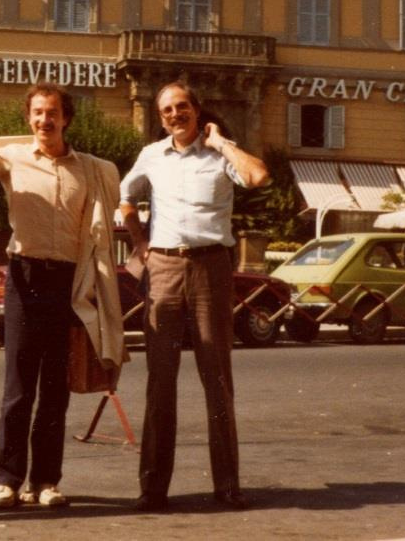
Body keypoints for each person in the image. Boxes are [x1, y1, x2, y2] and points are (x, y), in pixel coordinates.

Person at [118, 81, 270, 512]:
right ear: (160, 117)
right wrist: (140, 242)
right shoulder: (151, 155)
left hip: (210, 268)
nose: (175, 114)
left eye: (182, 106)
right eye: (167, 109)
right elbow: (126, 197)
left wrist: (221, 143)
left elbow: (258, 176)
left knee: (217, 378)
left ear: (196, 109)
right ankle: (153, 489)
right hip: (164, 268)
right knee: (160, 381)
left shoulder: (221, 154)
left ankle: (228, 485)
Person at [0, 83, 124, 510]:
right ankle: (7, 480)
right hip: (24, 276)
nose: (44, 120)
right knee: (18, 386)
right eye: (37, 113)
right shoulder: (9, 158)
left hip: (68, 281)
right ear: (28, 118)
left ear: (66, 118)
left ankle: (46, 481)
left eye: (52, 113)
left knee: (54, 389)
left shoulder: (91, 170)